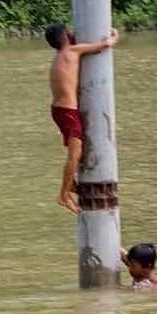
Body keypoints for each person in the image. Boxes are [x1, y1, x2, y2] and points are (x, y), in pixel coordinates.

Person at [46, 21, 120, 214]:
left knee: (76, 152)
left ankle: (71, 185)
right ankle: (63, 194)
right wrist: (114, 35)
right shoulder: (72, 51)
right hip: (67, 111)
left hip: (60, 110)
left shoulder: (58, 57)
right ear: (65, 36)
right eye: (69, 31)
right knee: (75, 153)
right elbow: (104, 45)